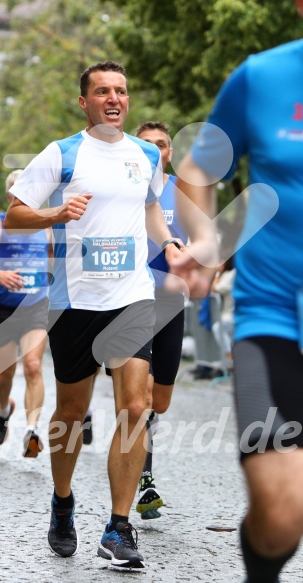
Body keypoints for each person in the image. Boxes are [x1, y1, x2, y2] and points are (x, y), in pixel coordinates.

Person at [4, 60, 181, 569]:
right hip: (75, 301)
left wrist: (166, 239)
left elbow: (150, 205)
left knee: (135, 404)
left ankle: (119, 526)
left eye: (121, 91)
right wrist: (55, 213)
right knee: (71, 413)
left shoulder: (147, 154)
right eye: (102, 91)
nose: (113, 98)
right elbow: (16, 214)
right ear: (84, 101)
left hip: (131, 296)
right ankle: (63, 503)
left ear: (128, 100)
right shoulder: (61, 154)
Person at [172, 2, 303, 580]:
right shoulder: (261, 77)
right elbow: (198, 170)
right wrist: (206, 241)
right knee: (280, 511)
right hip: (273, 318)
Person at [0, 170, 51, 458]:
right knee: (5, 374)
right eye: (21, 192)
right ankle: (5, 410)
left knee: (33, 366)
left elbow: (56, 260)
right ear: (10, 196)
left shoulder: (47, 225)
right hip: (4, 308)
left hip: (36, 307)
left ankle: (32, 431)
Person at [132, 122, 187, 520]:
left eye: (161, 144)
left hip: (171, 302)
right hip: (132, 302)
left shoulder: (185, 192)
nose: (154, 148)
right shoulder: (124, 188)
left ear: (169, 152)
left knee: (160, 402)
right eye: (146, 143)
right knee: (142, 397)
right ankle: (144, 479)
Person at [211, 256, 235, 366]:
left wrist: (216, 274)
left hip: (231, 315)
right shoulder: (228, 274)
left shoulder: (231, 274)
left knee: (218, 328)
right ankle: (230, 357)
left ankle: (229, 356)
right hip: (229, 315)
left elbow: (215, 288)